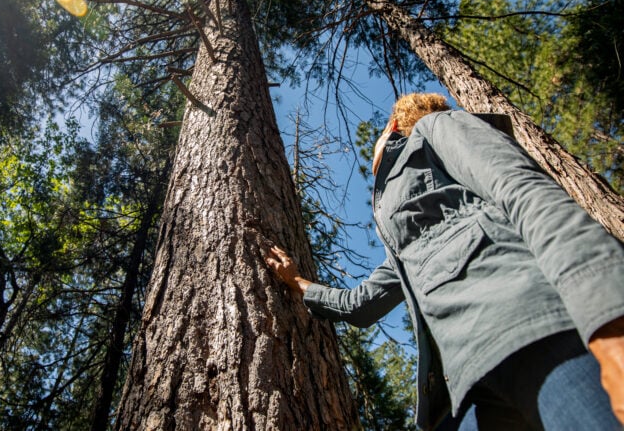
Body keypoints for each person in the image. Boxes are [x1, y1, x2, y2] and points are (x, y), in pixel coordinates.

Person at [265, 93, 624, 430]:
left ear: (392, 128)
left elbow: (521, 188)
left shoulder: (436, 127)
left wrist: (609, 318)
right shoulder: (402, 237)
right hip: (466, 386)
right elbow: (362, 305)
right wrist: (298, 283)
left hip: (534, 327)